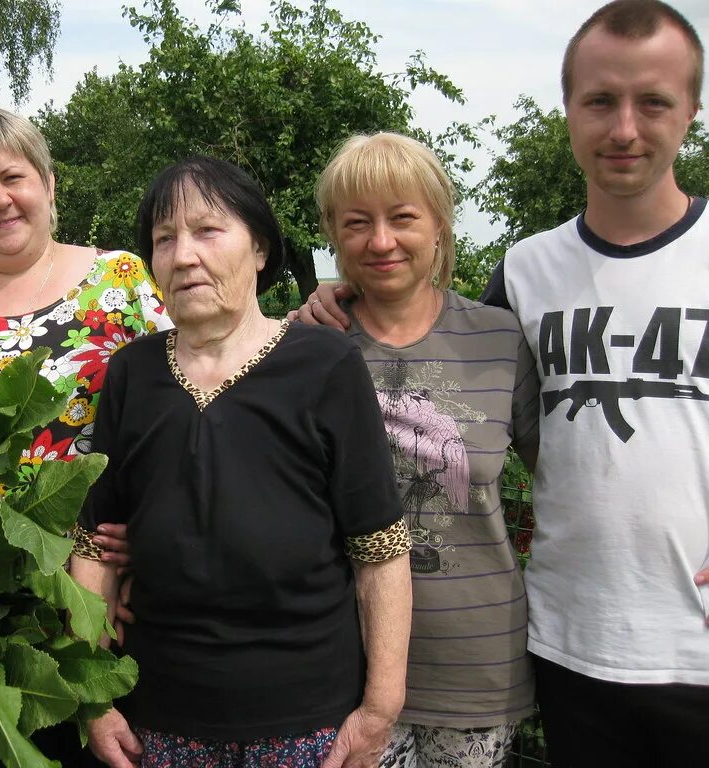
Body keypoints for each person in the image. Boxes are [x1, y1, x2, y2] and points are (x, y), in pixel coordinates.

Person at [295, 2, 709, 764]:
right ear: (569, 110)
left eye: (653, 101)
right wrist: (319, 304)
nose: (623, 127)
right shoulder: (525, 274)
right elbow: (428, 346)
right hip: (570, 644)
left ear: (692, 109)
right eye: (600, 101)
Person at [71, 155, 413, 768]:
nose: (183, 255)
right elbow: (94, 548)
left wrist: (380, 709)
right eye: (164, 238)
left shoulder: (326, 366)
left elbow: (380, 552)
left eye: (207, 230)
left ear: (259, 248)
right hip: (159, 723)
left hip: (311, 727)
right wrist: (95, 697)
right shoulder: (132, 374)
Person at [0, 107, 171, 766]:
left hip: (114, 600)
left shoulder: (120, 282)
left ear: (49, 184)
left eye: (14, 177)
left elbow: (181, 416)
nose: (0, 199)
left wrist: (155, 539)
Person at [306, 132, 539, 767]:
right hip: (341, 667)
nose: (381, 241)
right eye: (357, 223)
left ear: (439, 223)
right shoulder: (304, 348)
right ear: (334, 233)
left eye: (403, 217)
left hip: (477, 665)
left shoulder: (502, 339)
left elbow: (566, 484)